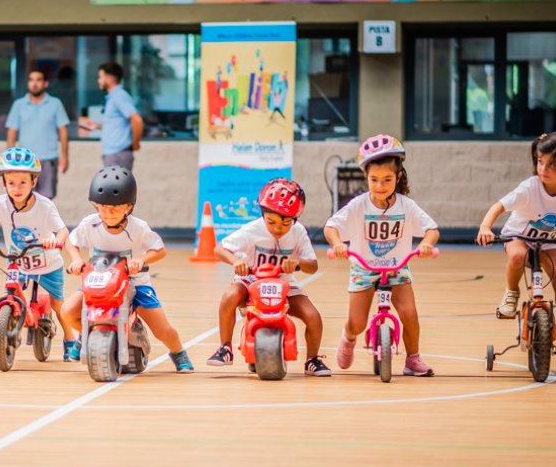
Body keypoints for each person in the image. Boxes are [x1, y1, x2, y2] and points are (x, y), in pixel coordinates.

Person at [325, 135, 440, 378]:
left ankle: (412, 359)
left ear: (398, 177)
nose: (380, 186)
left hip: (397, 267)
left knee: (410, 314)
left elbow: (431, 229)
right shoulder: (359, 205)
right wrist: (337, 244)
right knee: (357, 322)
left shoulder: (406, 205)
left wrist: (427, 245)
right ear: (366, 178)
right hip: (364, 269)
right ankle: (348, 337)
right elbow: (331, 227)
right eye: (374, 180)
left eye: (387, 179)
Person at [60, 166, 195, 373]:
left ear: (128, 207)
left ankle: (178, 353)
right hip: (99, 284)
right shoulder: (90, 224)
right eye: (102, 208)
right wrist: (76, 259)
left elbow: (159, 250)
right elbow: (71, 240)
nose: (107, 214)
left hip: (134, 284)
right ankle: (87, 335)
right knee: (68, 311)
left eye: (114, 209)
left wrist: (141, 259)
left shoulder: (138, 228)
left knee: (163, 329)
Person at [476, 131, 556, 360]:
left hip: (548, 242)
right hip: (518, 236)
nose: (543, 169)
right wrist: (485, 227)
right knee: (517, 256)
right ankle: (511, 292)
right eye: (540, 162)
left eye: (551, 164)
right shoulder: (529, 188)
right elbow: (499, 206)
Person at [0, 147, 78, 361]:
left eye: (23, 182)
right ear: (3, 183)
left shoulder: (44, 206)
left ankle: (71, 341)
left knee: (58, 304)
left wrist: (56, 242)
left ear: (34, 182)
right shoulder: (2, 204)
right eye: (11, 183)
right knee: (11, 293)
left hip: (47, 264)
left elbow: (63, 231)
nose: (17, 188)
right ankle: (6, 327)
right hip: (19, 263)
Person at [208, 178, 330, 376]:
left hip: (285, 284)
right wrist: (235, 262)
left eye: (285, 223)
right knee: (230, 296)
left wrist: (298, 262)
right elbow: (219, 248)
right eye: (271, 221)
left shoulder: (298, 233)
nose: (277, 228)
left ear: (296, 219)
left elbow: (313, 266)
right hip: (251, 281)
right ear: (263, 214)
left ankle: (312, 359)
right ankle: (225, 348)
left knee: (313, 317)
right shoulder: (252, 230)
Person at [5, 70, 69, 199]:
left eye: (38, 80)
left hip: (48, 159)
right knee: (24, 198)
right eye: (31, 80)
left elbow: (63, 131)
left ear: (45, 84)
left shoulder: (55, 104)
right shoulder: (19, 105)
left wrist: (65, 156)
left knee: (46, 199)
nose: (35, 83)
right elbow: (12, 132)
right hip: (25, 161)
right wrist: (9, 159)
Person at [96, 62, 142, 171]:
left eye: (100, 77)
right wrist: (98, 126)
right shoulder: (113, 97)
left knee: (116, 188)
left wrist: (135, 144)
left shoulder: (119, 95)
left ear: (109, 79)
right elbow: (118, 124)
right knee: (111, 187)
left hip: (118, 155)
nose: (98, 81)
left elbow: (137, 120)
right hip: (114, 154)